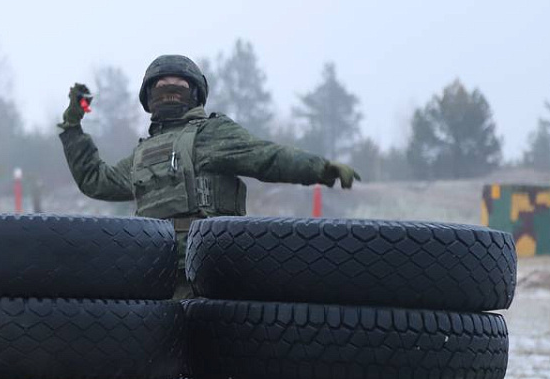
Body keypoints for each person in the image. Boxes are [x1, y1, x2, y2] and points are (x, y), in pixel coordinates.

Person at [59, 55, 360, 296]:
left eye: (178, 84)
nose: (169, 89)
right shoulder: (142, 154)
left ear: (194, 93)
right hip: (157, 274)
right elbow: (97, 181)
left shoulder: (212, 134)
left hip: (210, 270)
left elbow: (267, 157)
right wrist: (72, 127)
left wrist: (321, 168)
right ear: (149, 95)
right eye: (161, 84)